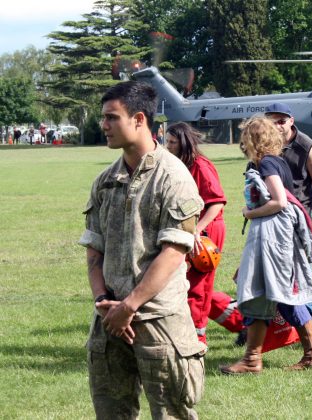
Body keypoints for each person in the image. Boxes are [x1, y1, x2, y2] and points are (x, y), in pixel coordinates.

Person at [78, 81, 206, 418]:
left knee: (172, 413)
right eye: (103, 118)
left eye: (111, 118)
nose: (103, 125)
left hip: (158, 321)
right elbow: (94, 249)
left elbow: (174, 252)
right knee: (111, 412)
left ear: (138, 119)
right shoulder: (105, 180)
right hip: (109, 321)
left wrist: (130, 305)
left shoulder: (173, 178)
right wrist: (103, 303)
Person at [220, 116, 312, 374]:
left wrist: (248, 213)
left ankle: (310, 354)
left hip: (273, 237)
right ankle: (253, 359)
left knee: (280, 294)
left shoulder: (267, 163)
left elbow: (278, 201)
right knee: (265, 293)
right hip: (273, 235)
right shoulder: (275, 161)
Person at [165, 122, 245, 343]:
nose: (168, 146)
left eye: (172, 142)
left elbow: (217, 203)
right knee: (187, 283)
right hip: (189, 230)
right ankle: (243, 321)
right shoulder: (178, 164)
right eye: (167, 142)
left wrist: (197, 231)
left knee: (197, 287)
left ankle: (196, 341)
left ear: (183, 143)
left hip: (206, 231)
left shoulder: (200, 166)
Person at [264, 102, 312, 327]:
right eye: (272, 122)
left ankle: (311, 316)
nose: (277, 126)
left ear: (291, 120)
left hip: (300, 212)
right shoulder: (267, 143)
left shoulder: (305, 145)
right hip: (273, 210)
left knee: (301, 263)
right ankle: (279, 317)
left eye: (281, 121)